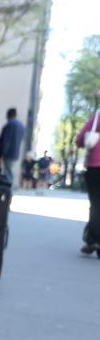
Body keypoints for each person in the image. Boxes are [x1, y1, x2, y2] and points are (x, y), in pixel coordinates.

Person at [75, 98, 100, 255]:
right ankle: (93, 240)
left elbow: (80, 139)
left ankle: (94, 240)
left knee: (96, 204)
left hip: (95, 167)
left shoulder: (97, 116)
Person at [0, 107, 25, 185]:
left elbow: (6, 141)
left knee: (7, 173)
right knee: (9, 172)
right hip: (15, 153)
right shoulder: (21, 126)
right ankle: (8, 191)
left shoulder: (9, 125)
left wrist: (1, 155)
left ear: (8, 115)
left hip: (8, 153)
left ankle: (8, 192)